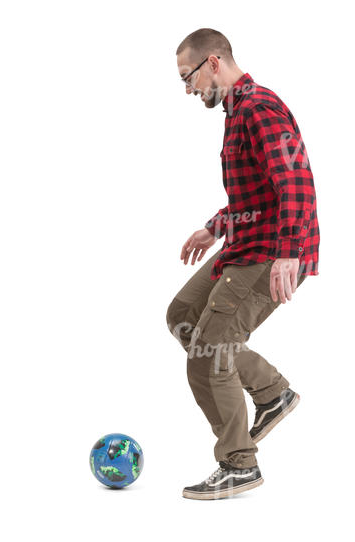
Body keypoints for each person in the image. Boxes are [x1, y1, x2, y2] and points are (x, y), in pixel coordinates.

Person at [168, 29, 320, 500]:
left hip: (271, 251)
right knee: (181, 318)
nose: (189, 90)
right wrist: (216, 226)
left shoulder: (257, 108)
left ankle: (239, 463)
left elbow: (294, 180)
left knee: (211, 355)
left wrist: (290, 252)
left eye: (188, 77)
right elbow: (255, 190)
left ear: (213, 63)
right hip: (244, 246)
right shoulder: (236, 113)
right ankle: (271, 391)